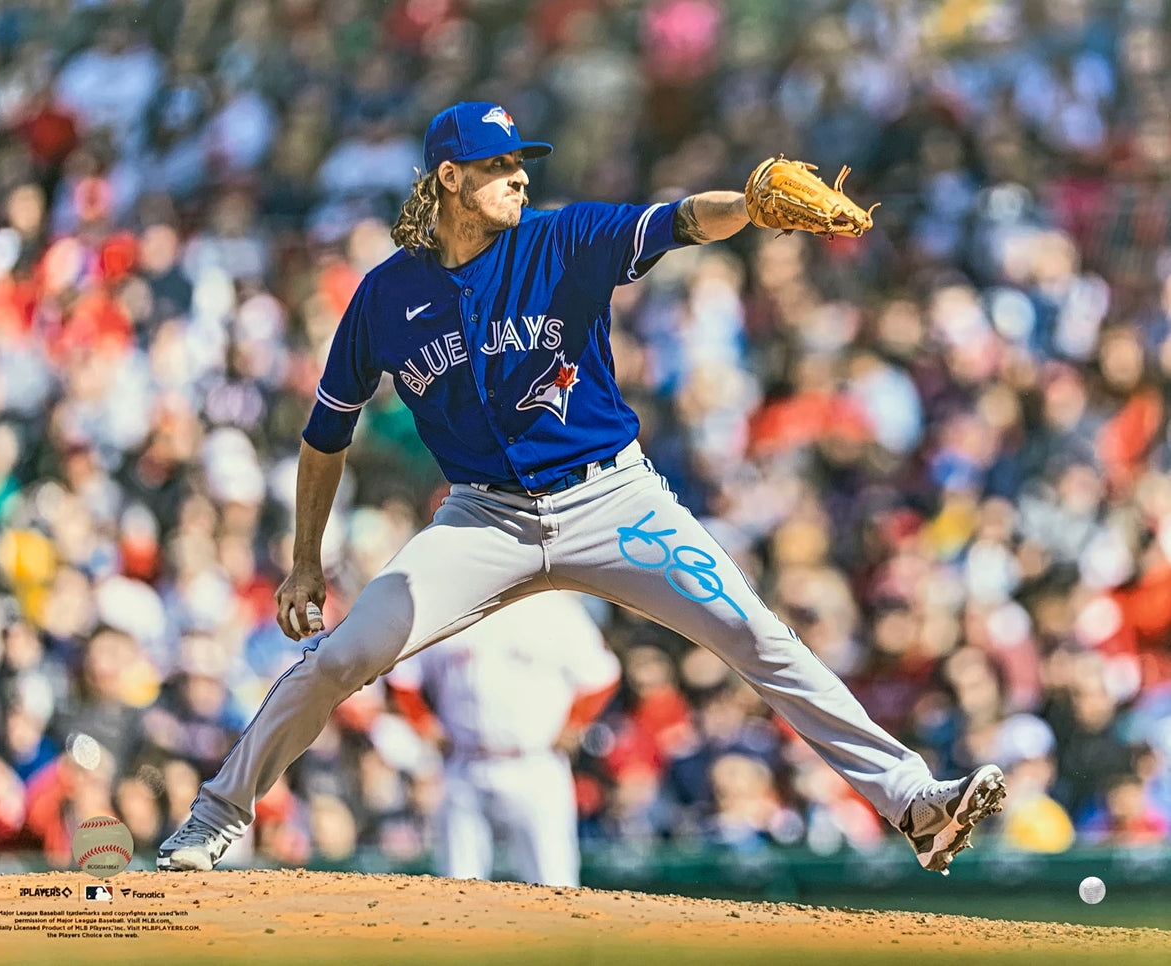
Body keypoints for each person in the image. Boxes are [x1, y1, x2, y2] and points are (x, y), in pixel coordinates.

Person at [157, 101, 1005, 876]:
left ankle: (912, 801)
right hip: (483, 518)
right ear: (450, 177)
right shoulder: (387, 296)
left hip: (613, 501)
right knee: (341, 655)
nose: (520, 173)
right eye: (499, 164)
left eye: (523, 160)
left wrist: (746, 203)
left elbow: (675, 222)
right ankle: (219, 812)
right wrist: (306, 562)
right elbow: (324, 435)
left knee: (759, 635)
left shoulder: (564, 240)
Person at [385, 592, 620, 887]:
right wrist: (422, 723)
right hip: (464, 762)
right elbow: (401, 677)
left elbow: (602, 674)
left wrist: (575, 722)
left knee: (554, 882)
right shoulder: (446, 609)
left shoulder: (555, 610)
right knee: (458, 884)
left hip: (535, 762)